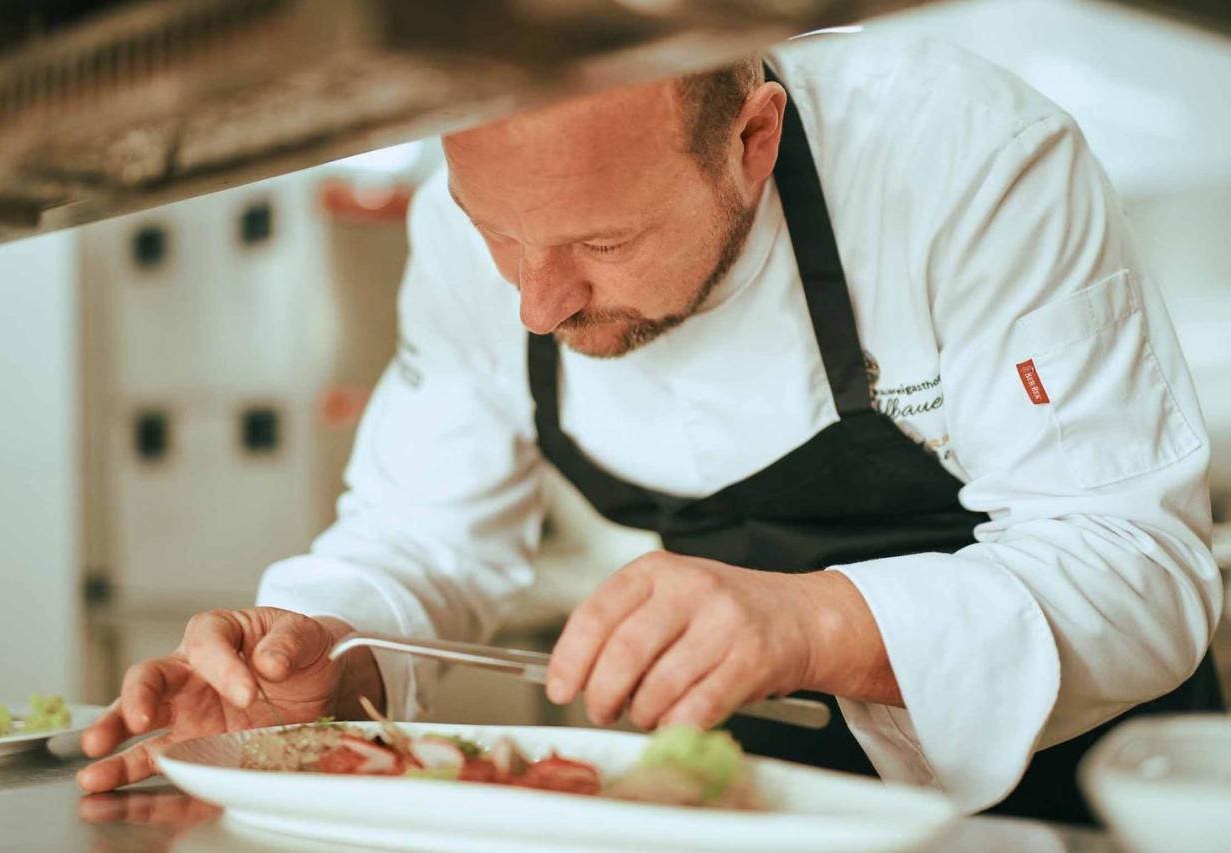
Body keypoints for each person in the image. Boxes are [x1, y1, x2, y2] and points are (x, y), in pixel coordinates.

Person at [79, 33, 1223, 822]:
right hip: (752, 805)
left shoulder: (963, 161)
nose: (536, 300)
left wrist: (814, 620)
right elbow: (419, 537)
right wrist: (319, 652)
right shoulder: (462, 236)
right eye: (499, 236)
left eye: (602, 245)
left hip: (1062, 805)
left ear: (752, 141)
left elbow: (1137, 570)